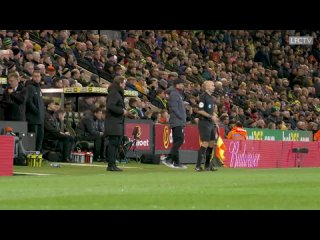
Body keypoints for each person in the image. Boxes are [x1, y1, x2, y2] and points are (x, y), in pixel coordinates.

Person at [105, 76, 134, 171]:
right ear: (120, 83)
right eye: (124, 83)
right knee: (113, 143)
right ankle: (111, 165)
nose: (125, 85)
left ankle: (112, 164)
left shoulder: (116, 92)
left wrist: (126, 113)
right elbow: (111, 106)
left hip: (116, 122)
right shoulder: (114, 92)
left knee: (116, 143)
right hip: (113, 122)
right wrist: (123, 111)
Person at [162, 79, 187, 169]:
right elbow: (173, 107)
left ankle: (176, 162)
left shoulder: (176, 94)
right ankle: (168, 159)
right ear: (177, 85)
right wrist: (181, 116)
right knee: (180, 140)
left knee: (177, 141)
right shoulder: (174, 94)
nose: (183, 86)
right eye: (181, 84)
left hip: (178, 120)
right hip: (177, 120)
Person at [195, 81, 219, 172]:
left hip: (210, 123)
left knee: (212, 143)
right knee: (205, 143)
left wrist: (214, 117)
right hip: (204, 122)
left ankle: (208, 165)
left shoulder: (211, 98)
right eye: (212, 85)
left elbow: (211, 111)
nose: (214, 86)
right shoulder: (203, 96)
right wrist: (210, 116)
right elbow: (200, 110)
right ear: (207, 87)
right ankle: (197, 166)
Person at [25, 67, 45, 152]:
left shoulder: (38, 88)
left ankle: (37, 155)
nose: (36, 78)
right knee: (32, 138)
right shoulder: (30, 87)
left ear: (40, 77)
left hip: (40, 119)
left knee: (40, 137)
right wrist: (36, 111)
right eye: (35, 76)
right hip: (33, 119)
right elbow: (29, 102)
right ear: (32, 77)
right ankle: (31, 154)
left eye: (38, 76)